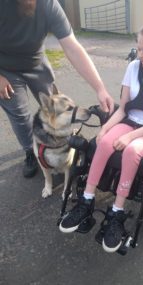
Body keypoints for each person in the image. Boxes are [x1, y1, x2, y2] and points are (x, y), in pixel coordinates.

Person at [59, 23, 143, 253]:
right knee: (103, 143)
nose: (141, 55)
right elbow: (123, 109)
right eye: (138, 48)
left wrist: (131, 137)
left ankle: (116, 213)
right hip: (128, 121)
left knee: (131, 150)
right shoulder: (134, 67)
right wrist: (105, 128)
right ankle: (86, 201)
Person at [0, 0, 114, 178]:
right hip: (4, 68)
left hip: (35, 60)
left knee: (56, 106)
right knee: (19, 114)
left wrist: (100, 88)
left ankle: (61, 141)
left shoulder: (48, 4)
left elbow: (72, 47)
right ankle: (31, 151)